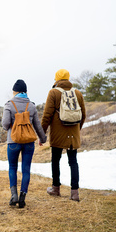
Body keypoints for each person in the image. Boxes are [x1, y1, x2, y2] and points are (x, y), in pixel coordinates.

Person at [41, 69, 86, 201]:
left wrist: (42, 133)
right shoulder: (77, 93)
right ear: (68, 78)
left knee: (55, 160)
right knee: (73, 162)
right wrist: (78, 129)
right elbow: (83, 115)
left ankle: (56, 188)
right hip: (73, 134)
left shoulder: (53, 92)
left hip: (58, 133)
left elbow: (47, 116)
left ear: (56, 80)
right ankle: (74, 193)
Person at [2, 79, 47, 208]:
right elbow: (38, 125)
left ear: (15, 91)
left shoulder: (9, 105)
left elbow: (5, 124)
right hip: (28, 142)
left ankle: (13, 195)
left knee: (12, 167)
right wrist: (42, 139)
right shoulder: (31, 105)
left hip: (13, 141)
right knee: (26, 169)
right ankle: (22, 197)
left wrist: (12, 126)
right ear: (25, 91)